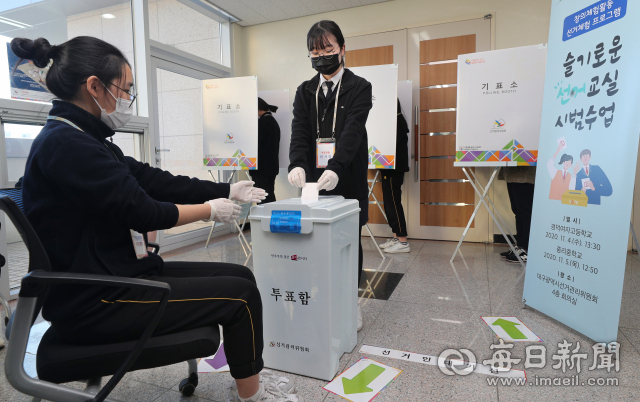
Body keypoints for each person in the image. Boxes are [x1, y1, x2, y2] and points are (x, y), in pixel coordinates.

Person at [11, 36, 302, 402]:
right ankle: (251, 397)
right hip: (96, 300)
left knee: (241, 275)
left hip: (115, 274)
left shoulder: (88, 138)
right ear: (94, 87)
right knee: (241, 294)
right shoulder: (67, 146)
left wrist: (225, 191)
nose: (128, 101)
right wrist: (212, 210)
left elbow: (153, 180)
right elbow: (144, 210)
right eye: (126, 89)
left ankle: (248, 380)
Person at [287, 20, 372, 331]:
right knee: (315, 243)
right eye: (315, 52)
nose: (321, 56)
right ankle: (321, 298)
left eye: (327, 50)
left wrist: (336, 167)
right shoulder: (305, 90)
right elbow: (300, 132)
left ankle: (350, 302)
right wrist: (296, 163)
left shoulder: (359, 87)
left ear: (342, 49)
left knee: (349, 242)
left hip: (346, 177)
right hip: (313, 183)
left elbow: (352, 132)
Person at [378, 99, 410, 254]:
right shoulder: (395, 122)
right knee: (390, 204)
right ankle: (397, 237)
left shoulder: (395, 125)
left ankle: (402, 241)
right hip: (389, 168)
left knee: (394, 204)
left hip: (392, 169)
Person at [498, 167, 536, 263]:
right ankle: (520, 247)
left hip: (524, 172)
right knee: (517, 211)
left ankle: (527, 250)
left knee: (525, 212)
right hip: (512, 172)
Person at [250, 98, 280, 204]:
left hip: (261, 168)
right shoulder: (272, 121)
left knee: (262, 198)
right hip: (271, 168)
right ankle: (273, 220)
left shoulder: (262, 123)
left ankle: (266, 220)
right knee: (270, 196)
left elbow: (255, 145)